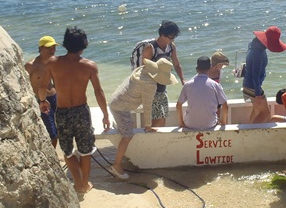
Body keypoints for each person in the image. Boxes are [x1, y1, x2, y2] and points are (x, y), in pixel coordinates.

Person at [38, 26, 110, 195]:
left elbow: (43, 87)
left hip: (62, 112)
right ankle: (84, 184)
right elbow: (98, 92)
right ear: (84, 45)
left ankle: (77, 182)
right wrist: (105, 115)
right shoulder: (90, 66)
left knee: (67, 150)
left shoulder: (52, 63)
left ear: (64, 44)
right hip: (81, 112)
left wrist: (42, 101)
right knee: (85, 150)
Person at [108, 58, 178, 180]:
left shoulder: (142, 70)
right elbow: (147, 107)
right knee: (128, 135)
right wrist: (148, 125)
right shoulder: (150, 85)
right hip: (120, 108)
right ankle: (116, 165)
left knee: (128, 130)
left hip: (116, 100)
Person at [137, 20, 185, 129]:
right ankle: (152, 143)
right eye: (171, 37)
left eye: (174, 38)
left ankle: (158, 143)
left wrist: (182, 80)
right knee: (155, 119)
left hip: (163, 87)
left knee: (163, 117)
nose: (172, 40)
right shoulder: (151, 48)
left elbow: (177, 64)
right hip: (151, 88)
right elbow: (143, 69)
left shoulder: (171, 47)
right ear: (162, 35)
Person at [242, 26, 286, 123]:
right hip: (254, 88)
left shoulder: (253, 45)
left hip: (247, 84)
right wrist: (258, 95)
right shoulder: (258, 53)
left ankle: (250, 129)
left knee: (257, 110)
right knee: (266, 113)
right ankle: (252, 132)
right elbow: (255, 75)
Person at [25, 35, 59, 148]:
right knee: (51, 133)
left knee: (59, 130)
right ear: (41, 48)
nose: (52, 50)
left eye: (54, 47)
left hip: (55, 98)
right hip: (42, 101)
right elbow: (23, 85)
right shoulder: (30, 66)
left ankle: (55, 155)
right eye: (49, 47)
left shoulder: (54, 63)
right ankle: (52, 158)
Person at [177, 56, 228, 130]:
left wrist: (181, 123)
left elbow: (178, 105)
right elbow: (225, 106)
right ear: (209, 68)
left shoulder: (187, 85)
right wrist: (223, 123)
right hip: (210, 124)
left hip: (190, 124)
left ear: (197, 69)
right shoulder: (215, 85)